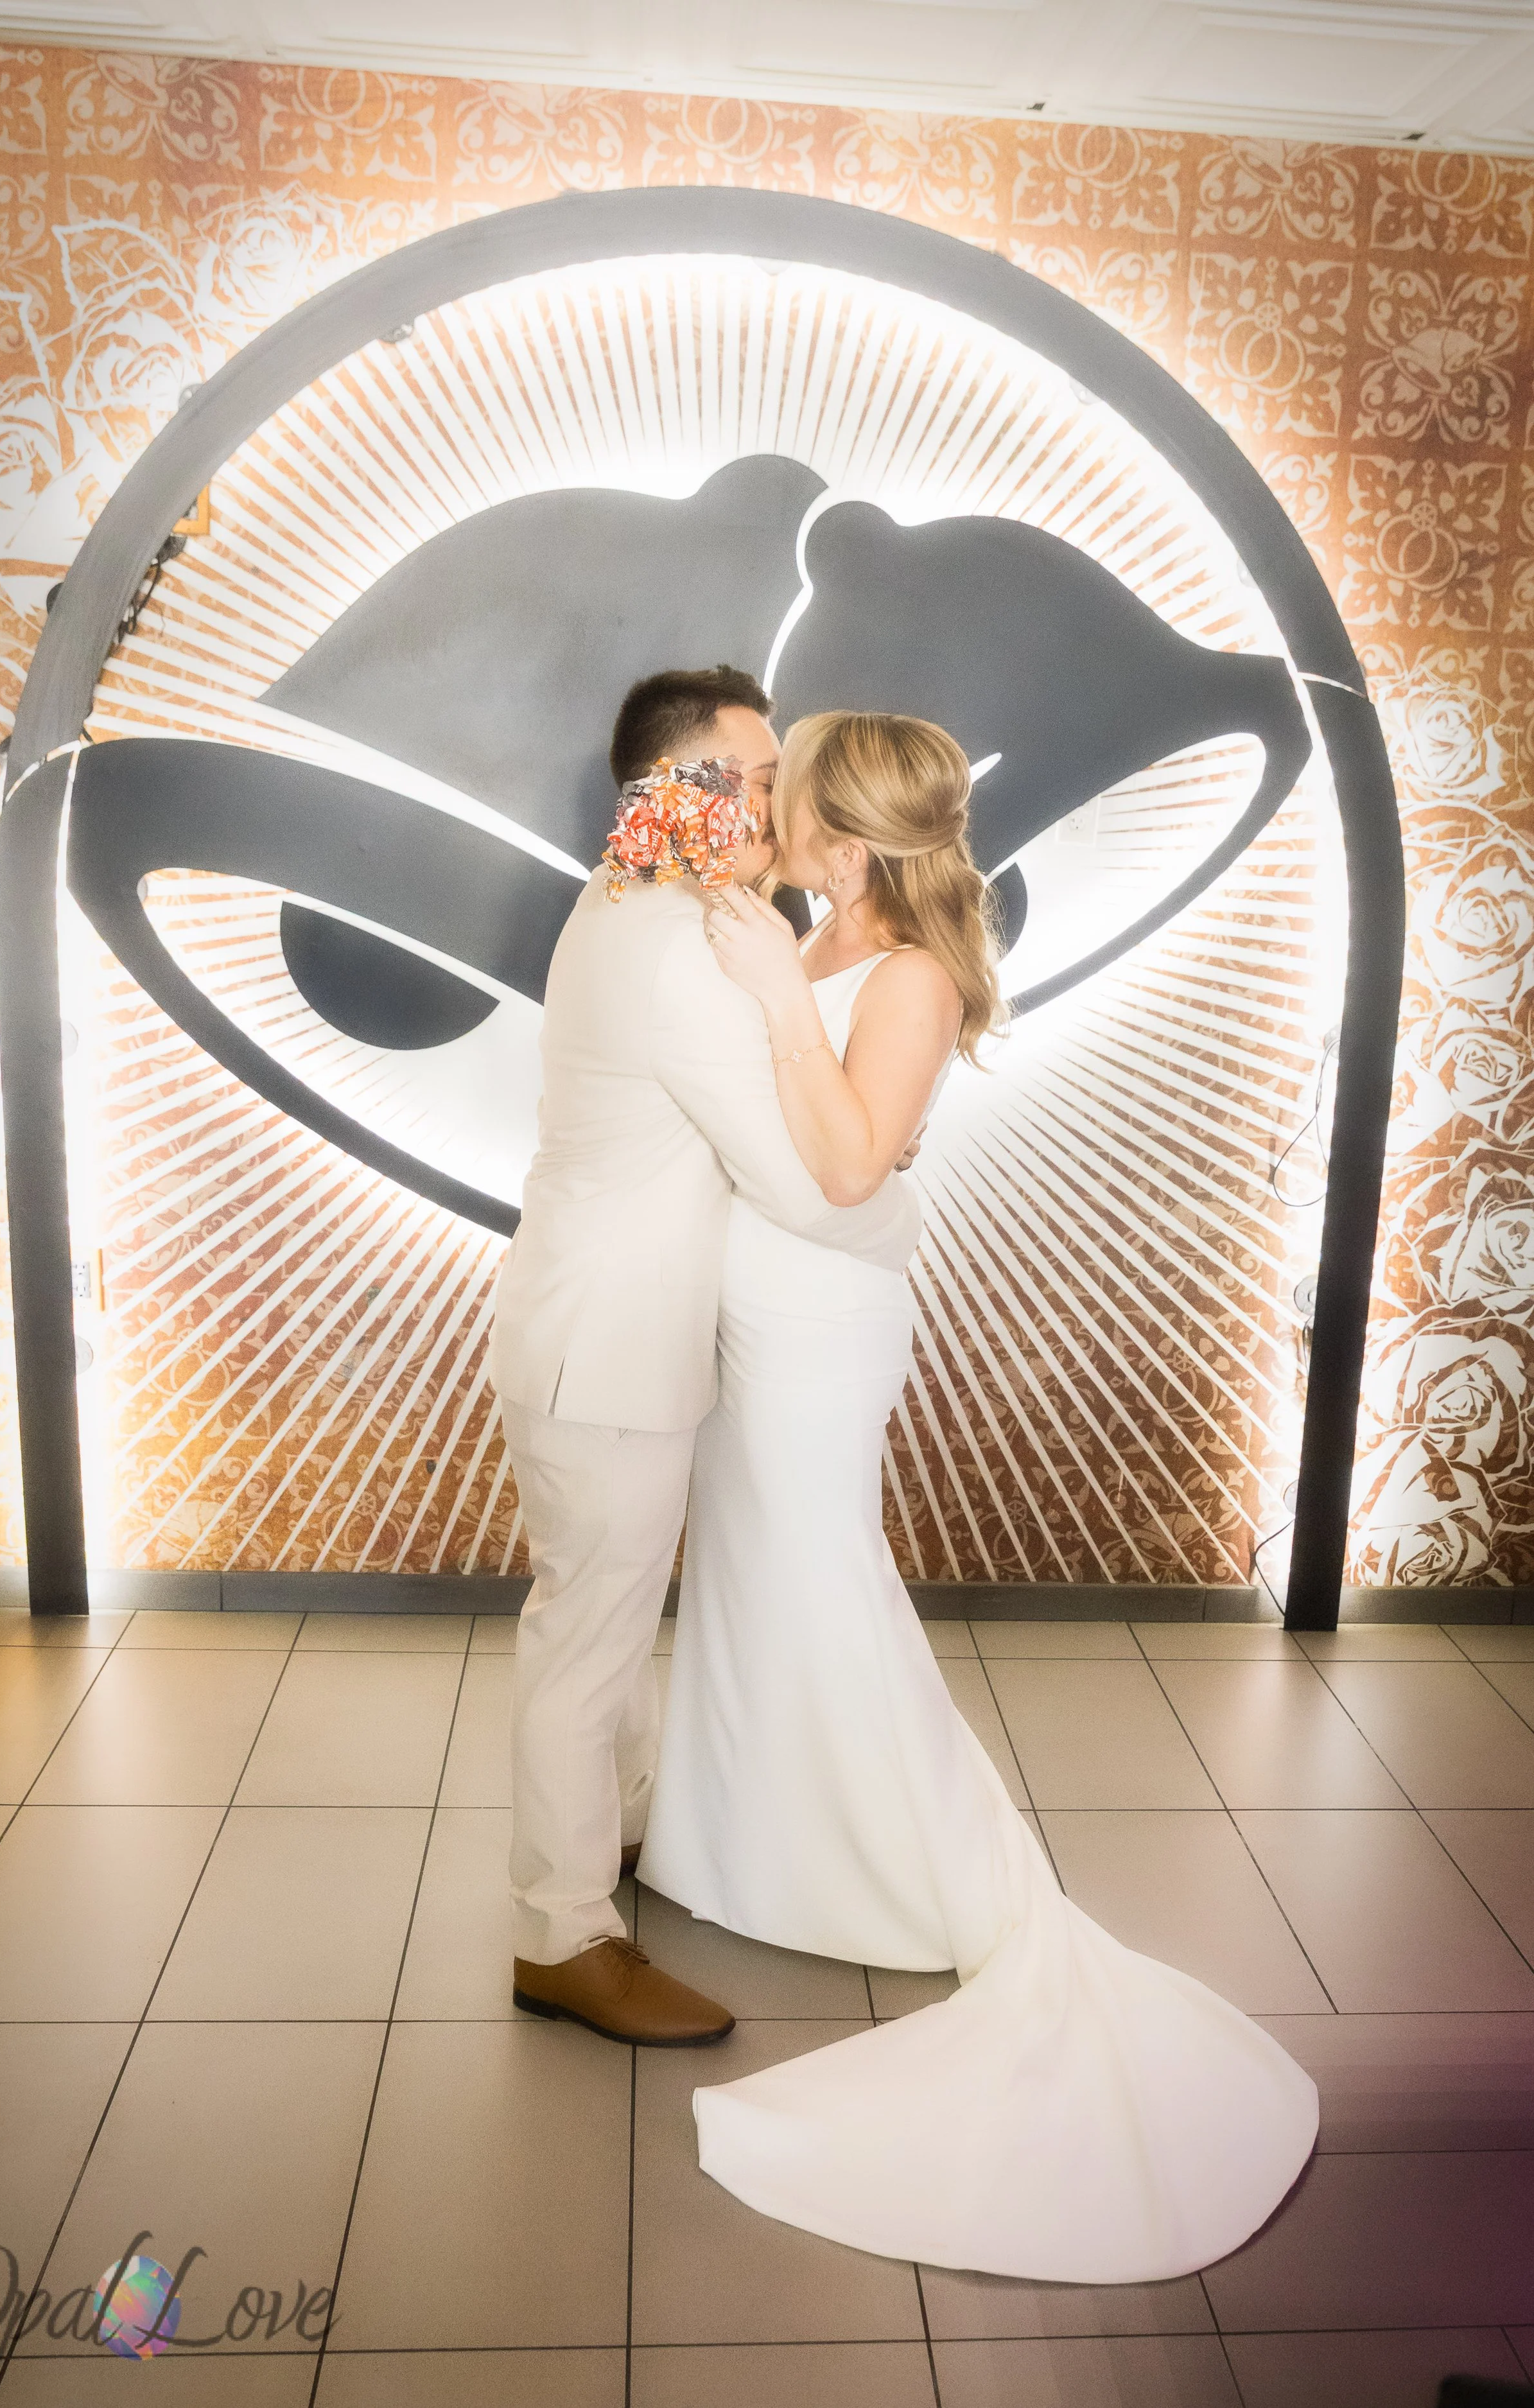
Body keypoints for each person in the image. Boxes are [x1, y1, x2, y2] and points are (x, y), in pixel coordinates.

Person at [638, 710, 1319, 2280]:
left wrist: (775, 1000)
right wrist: (718, 894)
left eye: (790, 795)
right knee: (746, 1575)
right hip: (743, 1303)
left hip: (817, 1320)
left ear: (848, 835)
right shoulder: (804, 930)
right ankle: (743, 1853)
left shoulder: (910, 977)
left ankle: (909, 1873)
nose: (766, 813)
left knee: (818, 1577)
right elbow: (673, 916)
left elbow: (849, 1168)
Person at [489, 670, 921, 2047]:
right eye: (754, 778)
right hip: (606, 1349)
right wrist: (894, 1196)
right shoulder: (675, 943)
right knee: (588, 1642)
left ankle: (613, 1837)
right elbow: (803, 1185)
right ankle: (562, 1935)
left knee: (605, 1632)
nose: (776, 806)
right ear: (674, 790)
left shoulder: (640, 900)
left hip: (591, 1331)